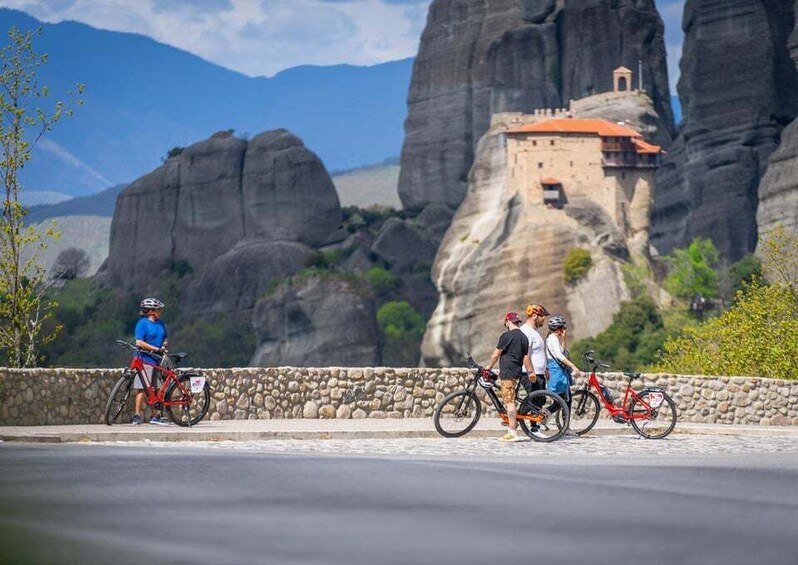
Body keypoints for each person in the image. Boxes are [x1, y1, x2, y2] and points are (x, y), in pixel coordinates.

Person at [485, 312, 530, 442]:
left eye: (506, 323)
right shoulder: (524, 337)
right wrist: (530, 371)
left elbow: (496, 354)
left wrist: (489, 366)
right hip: (517, 372)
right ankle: (511, 423)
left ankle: (512, 432)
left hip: (508, 373)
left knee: (509, 402)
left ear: (508, 322)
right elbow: (525, 356)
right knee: (510, 399)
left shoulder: (506, 336)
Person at [132, 297, 169, 426]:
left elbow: (165, 338)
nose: (160, 312)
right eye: (158, 309)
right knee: (142, 388)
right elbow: (139, 342)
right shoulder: (142, 323)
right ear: (152, 311)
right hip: (145, 359)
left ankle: (156, 416)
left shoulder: (161, 324)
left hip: (157, 360)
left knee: (157, 389)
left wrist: (164, 346)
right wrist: (156, 349)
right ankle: (136, 415)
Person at [545, 315, 581, 436]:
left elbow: (563, 352)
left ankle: (564, 426)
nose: (563, 330)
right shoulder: (552, 339)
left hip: (558, 372)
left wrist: (564, 339)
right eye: (562, 328)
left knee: (565, 400)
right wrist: (573, 366)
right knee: (564, 401)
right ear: (558, 328)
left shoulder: (553, 339)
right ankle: (546, 415)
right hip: (558, 372)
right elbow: (561, 357)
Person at [520, 303, 550, 400]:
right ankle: (515, 415)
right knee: (534, 403)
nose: (544, 319)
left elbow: (538, 353)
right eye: (542, 316)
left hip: (539, 373)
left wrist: (545, 369)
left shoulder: (534, 332)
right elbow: (525, 353)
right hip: (531, 374)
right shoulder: (526, 331)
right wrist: (530, 371)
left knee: (540, 402)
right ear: (534, 316)